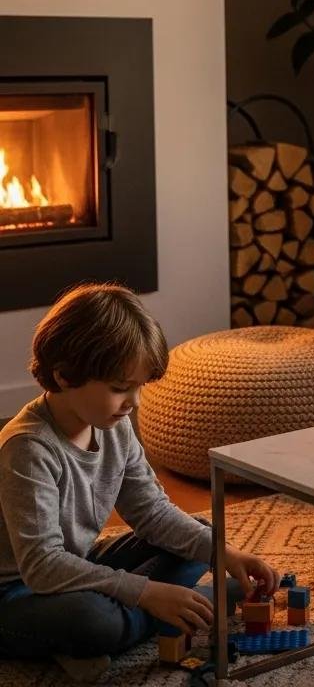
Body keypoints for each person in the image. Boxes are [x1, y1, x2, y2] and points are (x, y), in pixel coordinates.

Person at [0, 283, 280, 682]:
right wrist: (147, 593)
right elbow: (42, 567)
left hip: (73, 566)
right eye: (119, 388)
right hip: (15, 594)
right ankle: (191, 606)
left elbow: (152, 512)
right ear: (64, 376)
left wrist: (224, 553)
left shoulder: (113, 424)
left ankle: (125, 625)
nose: (134, 401)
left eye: (139, 386)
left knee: (197, 535)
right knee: (95, 621)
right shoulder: (27, 448)